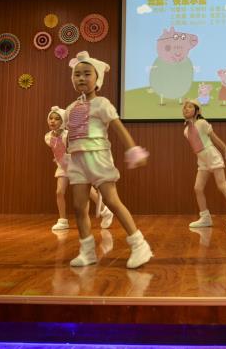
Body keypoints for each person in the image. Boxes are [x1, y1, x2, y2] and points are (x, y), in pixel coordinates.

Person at [63, 51, 152, 268]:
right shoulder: (71, 108)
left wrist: (133, 151)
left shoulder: (102, 103)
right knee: (79, 207)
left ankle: (140, 245)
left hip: (98, 157)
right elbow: (70, 136)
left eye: (87, 74)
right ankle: (87, 251)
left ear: (97, 79)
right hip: (77, 161)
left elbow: (119, 129)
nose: (81, 78)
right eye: (77, 74)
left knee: (112, 201)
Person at [45, 106, 113, 231]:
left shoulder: (68, 135)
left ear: (63, 121)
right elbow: (58, 152)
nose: (52, 121)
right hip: (63, 167)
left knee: (89, 192)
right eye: (51, 118)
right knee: (59, 192)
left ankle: (105, 211)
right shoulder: (48, 137)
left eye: (57, 119)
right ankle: (62, 220)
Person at [182, 100, 226, 230]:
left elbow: (214, 138)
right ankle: (205, 218)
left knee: (222, 185)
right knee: (198, 188)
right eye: (184, 107)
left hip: (212, 155)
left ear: (197, 111)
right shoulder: (186, 130)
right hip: (202, 159)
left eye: (189, 107)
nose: (186, 109)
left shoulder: (202, 123)